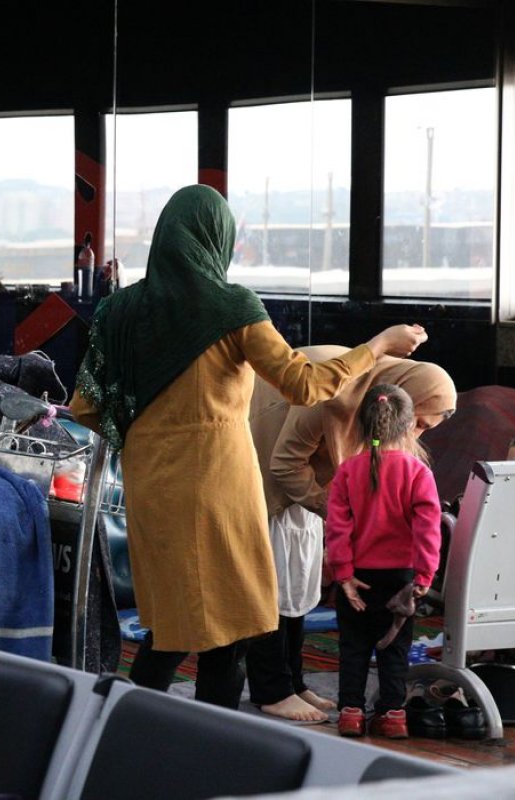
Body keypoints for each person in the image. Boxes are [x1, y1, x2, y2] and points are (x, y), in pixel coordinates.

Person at [68, 184, 428, 709]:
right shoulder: (233, 306)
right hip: (220, 485)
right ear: (218, 240)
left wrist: (147, 438)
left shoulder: (118, 312)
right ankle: (216, 740)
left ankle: (121, 727)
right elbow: (305, 384)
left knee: (173, 618)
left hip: (151, 485)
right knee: (231, 618)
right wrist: (377, 347)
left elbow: (86, 406)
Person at [246, 348, 456, 722]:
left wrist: (343, 549)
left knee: (298, 592)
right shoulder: (338, 392)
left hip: (309, 498)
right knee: (274, 590)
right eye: (418, 423)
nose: (415, 433)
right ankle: (272, 690)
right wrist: (347, 517)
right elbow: (284, 462)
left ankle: (298, 684)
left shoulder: (366, 437)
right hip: (271, 482)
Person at [327, 383, 443, 738]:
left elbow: (337, 527)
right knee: (395, 648)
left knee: (353, 647)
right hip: (402, 580)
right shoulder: (417, 472)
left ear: (362, 426)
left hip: (358, 579)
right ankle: (392, 715)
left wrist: (343, 575)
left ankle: (350, 713)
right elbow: (428, 525)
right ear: (409, 426)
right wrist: (425, 575)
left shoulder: (347, 471)